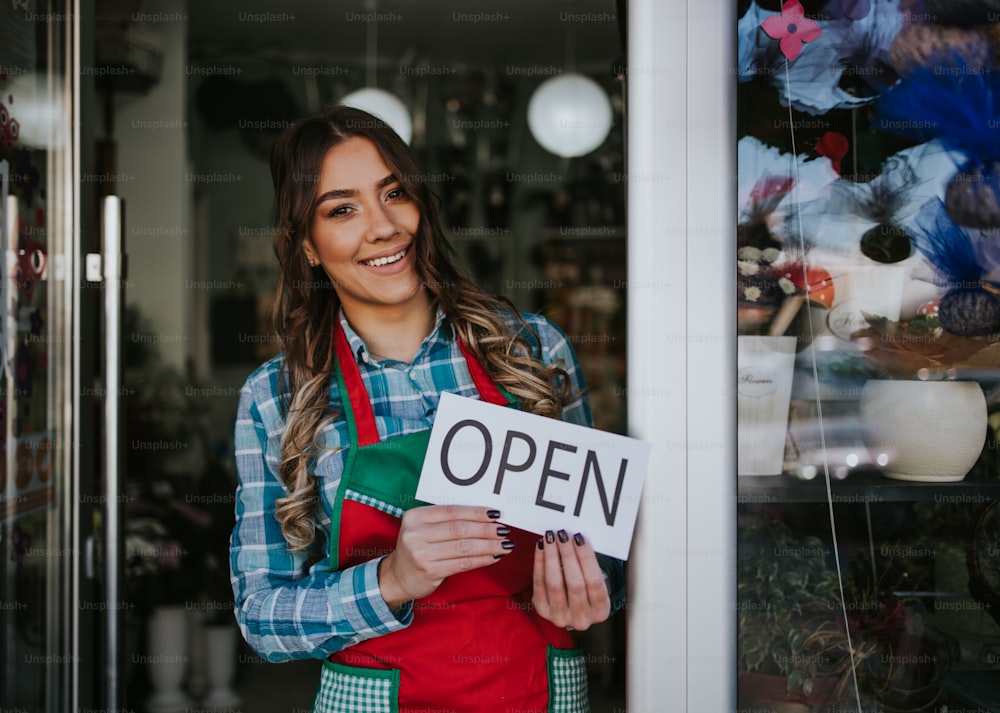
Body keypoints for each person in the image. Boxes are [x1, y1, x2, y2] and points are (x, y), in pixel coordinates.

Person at [230, 105, 626, 713]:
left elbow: (606, 551)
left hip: (537, 690)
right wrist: (391, 580)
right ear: (305, 245)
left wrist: (595, 586)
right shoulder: (277, 397)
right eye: (342, 209)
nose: (384, 226)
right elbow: (262, 616)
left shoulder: (532, 350)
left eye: (395, 194)